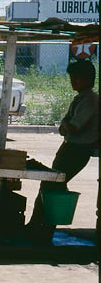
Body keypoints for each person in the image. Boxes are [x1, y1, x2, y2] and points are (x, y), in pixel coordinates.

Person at [26, 60, 99, 241]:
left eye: (77, 78)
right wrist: (66, 126)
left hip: (78, 150)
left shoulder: (90, 100)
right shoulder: (80, 98)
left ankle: (43, 228)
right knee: (50, 183)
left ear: (88, 79)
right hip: (70, 147)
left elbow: (72, 127)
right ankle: (38, 226)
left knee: (53, 184)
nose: (73, 82)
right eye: (72, 78)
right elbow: (64, 128)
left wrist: (66, 126)